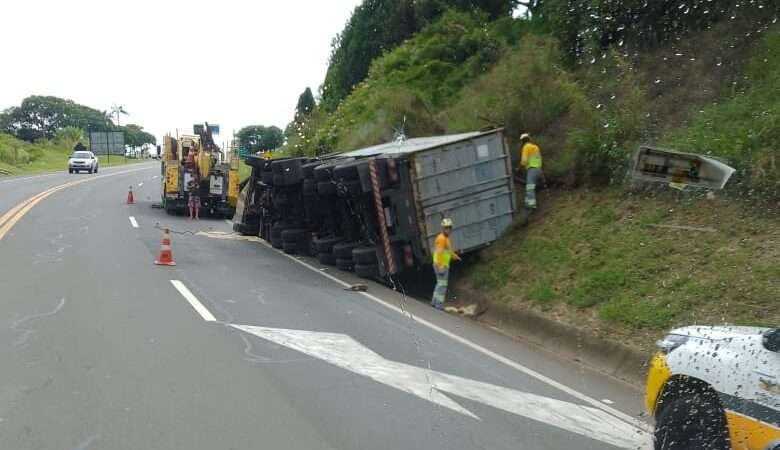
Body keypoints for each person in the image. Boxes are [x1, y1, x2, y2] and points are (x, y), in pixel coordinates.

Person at [431, 218, 461, 310]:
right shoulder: (442, 239)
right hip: (441, 265)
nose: (448, 229)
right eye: (446, 228)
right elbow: (439, 253)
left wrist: (456, 256)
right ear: (443, 228)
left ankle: (434, 302)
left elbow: (448, 252)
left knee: (439, 284)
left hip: (442, 264)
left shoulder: (445, 239)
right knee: (442, 285)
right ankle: (439, 304)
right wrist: (440, 266)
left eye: (449, 228)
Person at [519, 133, 543, 214]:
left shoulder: (526, 147)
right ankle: (527, 205)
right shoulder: (536, 147)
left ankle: (532, 207)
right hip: (539, 170)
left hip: (532, 169)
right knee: (529, 187)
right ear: (529, 139)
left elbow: (524, 161)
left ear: (522, 141)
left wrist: (519, 168)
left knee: (529, 187)